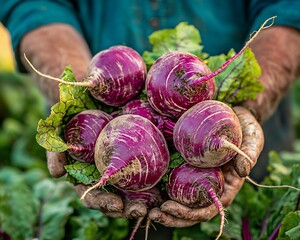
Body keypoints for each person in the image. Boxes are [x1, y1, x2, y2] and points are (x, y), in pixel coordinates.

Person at [1, 0, 300, 238]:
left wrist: (248, 104)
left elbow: (290, 7)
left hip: (239, 137)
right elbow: (36, 5)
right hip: (112, 137)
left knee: (237, 168)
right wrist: (71, 96)